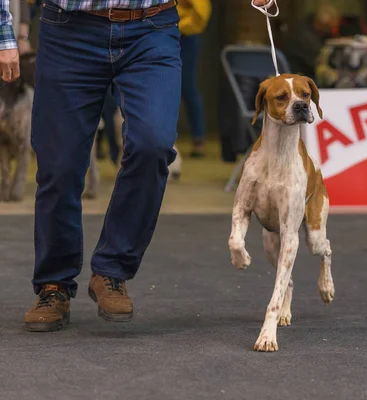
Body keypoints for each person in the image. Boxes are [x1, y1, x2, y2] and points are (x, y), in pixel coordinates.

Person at [0, 0, 272, 332]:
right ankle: (53, 285)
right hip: (68, 30)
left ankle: (112, 270)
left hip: (151, 28)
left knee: (154, 144)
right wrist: (4, 33)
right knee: (60, 164)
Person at [177, 0, 211, 158]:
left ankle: (198, 139)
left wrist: (180, 25)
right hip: (158, 33)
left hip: (185, 36)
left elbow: (201, 13)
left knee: (188, 87)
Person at [283, 3, 340, 79]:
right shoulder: (305, 36)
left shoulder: (312, 26)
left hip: (306, 70)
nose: (331, 31)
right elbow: (317, 62)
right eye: (330, 28)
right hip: (299, 75)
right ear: (322, 24)